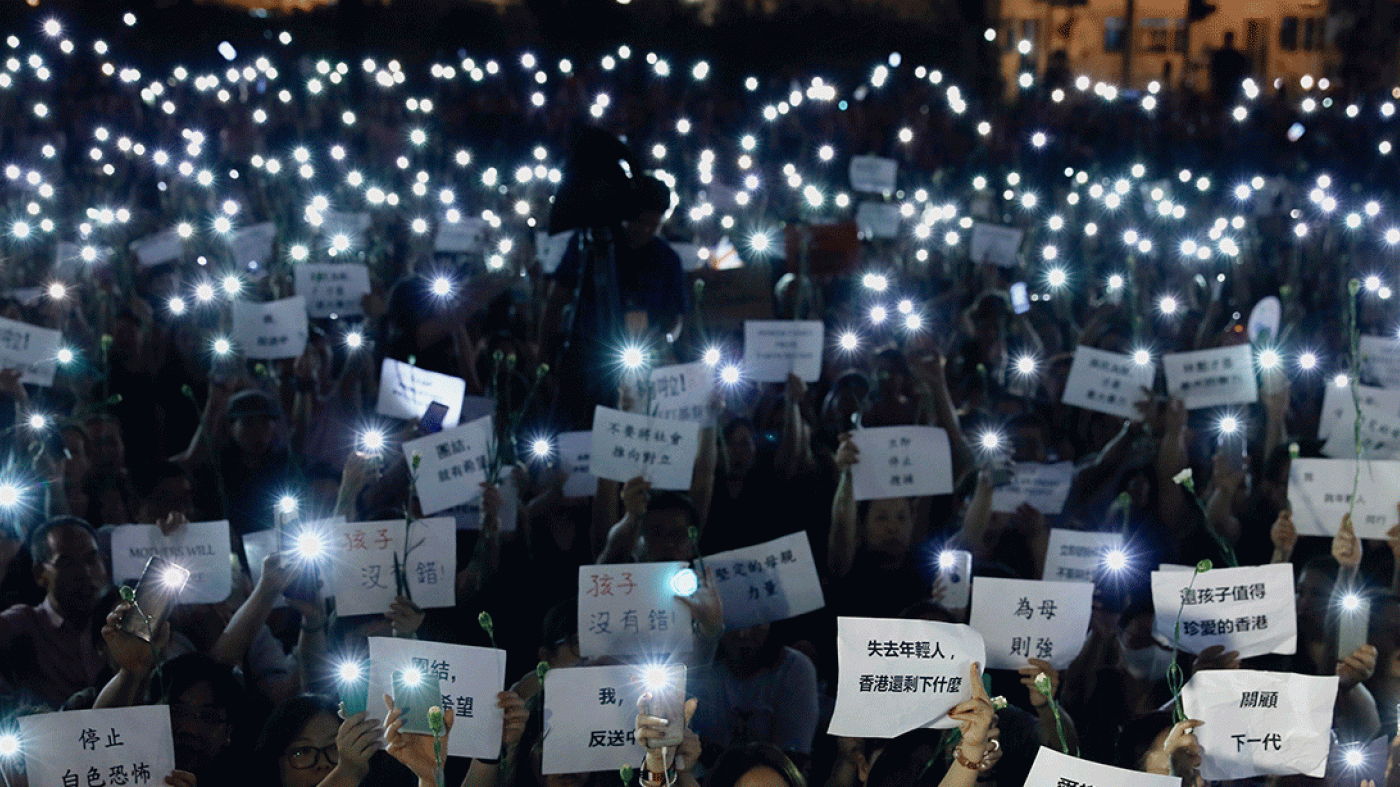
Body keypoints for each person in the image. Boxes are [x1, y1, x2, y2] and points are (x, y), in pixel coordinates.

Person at [0, 516, 108, 708]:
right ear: (39, 574)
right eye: (68, 563)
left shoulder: (118, 621)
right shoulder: (21, 625)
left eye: (91, 559)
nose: (85, 572)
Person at [1209, 32, 1251, 106]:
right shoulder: (1235, 56)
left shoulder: (1220, 55)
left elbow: (1213, 71)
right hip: (1225, 86)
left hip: (1226, 86)